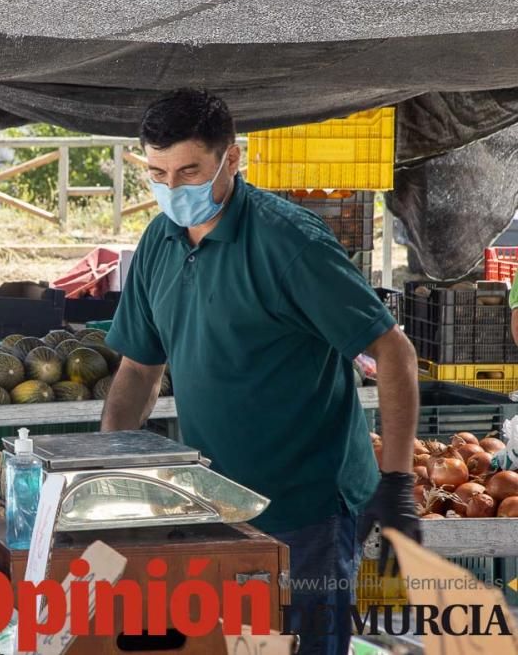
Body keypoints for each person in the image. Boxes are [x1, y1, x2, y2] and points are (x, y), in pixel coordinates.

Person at [101, 89, 420, 655]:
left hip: (308, 513)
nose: (172, 189)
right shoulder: (157, 242)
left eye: (189, 170)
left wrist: (396, 484)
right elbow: (136, 372)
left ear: (233, 158)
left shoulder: (289, 242)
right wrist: (107, 471)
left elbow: (393, 351)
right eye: (157, 172)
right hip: (214, 507)